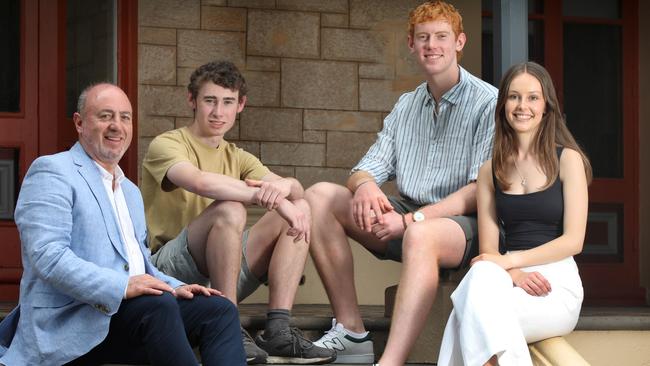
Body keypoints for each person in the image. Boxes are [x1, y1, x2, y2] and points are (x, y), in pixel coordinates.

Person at [305, 1, 498, 364]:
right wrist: (365, 186)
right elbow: (365, 168)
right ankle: (352, 332)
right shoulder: (406, 106)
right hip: (406, 216)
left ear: (460, 42)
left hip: (465, 225)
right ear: (411, 44)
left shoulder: (488, 103)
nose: (431, 45)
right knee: (319, 197)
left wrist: (412, 221)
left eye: (441, 37)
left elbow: (478, 192)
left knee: (422, 233)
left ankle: (390, 361)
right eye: (423, 38)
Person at [0, 83, 245, 366]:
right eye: (105, 116)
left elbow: (140, 264)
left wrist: (174, 285)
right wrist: (121, 286)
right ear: (79, 123)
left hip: (127, 317)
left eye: (124, 117)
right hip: (70, 323)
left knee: (219, 309)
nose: (117, 126)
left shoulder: (129, 190)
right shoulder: (53, 171)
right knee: (157, 307)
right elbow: (48, 258)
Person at [141, 60, 335, 365]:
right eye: (210, 101)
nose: (218, 112)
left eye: (227, 102)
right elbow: (200, 182)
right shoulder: (167, 144)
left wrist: (286, 189)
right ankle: (228, 324)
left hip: (219, 273)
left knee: (300, 205)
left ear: (240, 105)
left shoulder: (238, 156)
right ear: (192, 101)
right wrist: (267, 196)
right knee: (230, 209)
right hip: (167, 271)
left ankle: (279, 330)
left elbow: (295, 189)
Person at [437, 61, 592, 366]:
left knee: (466, 315)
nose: (523, 106)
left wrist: (509, 262)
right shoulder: (488, 171)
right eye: (514, 97)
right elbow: (489, 252)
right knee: (481, 279)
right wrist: (513, 273)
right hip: (506, 278)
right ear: (503, 104)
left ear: (546, 106)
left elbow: (574, 241)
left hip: (554, 283)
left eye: (533, 97)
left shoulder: (568, 160)